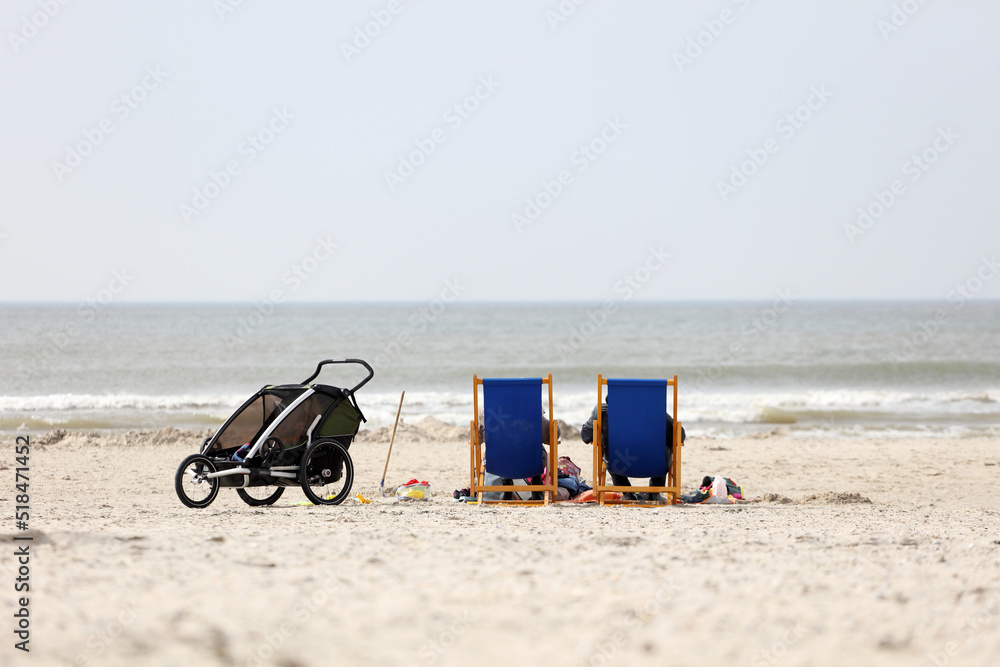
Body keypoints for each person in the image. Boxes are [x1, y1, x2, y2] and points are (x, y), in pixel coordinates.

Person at [581, 402, 685, 502]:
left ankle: (627, 494)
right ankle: (655, 492)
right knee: (666, 441)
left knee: (609, 446)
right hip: (654, 464)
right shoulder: (655, 412)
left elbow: (586, 437)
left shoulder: (602, 410)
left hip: (619, 465)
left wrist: (597, 416)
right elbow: (680, 436)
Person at [480, 414, 558, 501]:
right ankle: (536, 483)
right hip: (531, 462)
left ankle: (506, 483)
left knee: (504, 448)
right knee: (534, 448)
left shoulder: (492, 411)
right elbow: (551, 436)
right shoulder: (530, 408)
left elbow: (476, 436)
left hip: (496, 462)